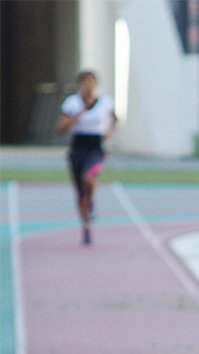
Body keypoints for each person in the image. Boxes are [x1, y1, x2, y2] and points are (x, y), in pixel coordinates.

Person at [57, 70, 117, 245]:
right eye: (84, 81)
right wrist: (80, 113)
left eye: (91, 81)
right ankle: (86, 226)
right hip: (78, 147)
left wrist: (109, 132)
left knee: (89, 178)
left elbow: (115, 119)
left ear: (96, 84)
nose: (88, 85)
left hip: (96, 147)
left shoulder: (105, 102)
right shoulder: (72, 103)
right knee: (79, 192)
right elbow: (60, 129)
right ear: (79, 85)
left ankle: (91, 201)